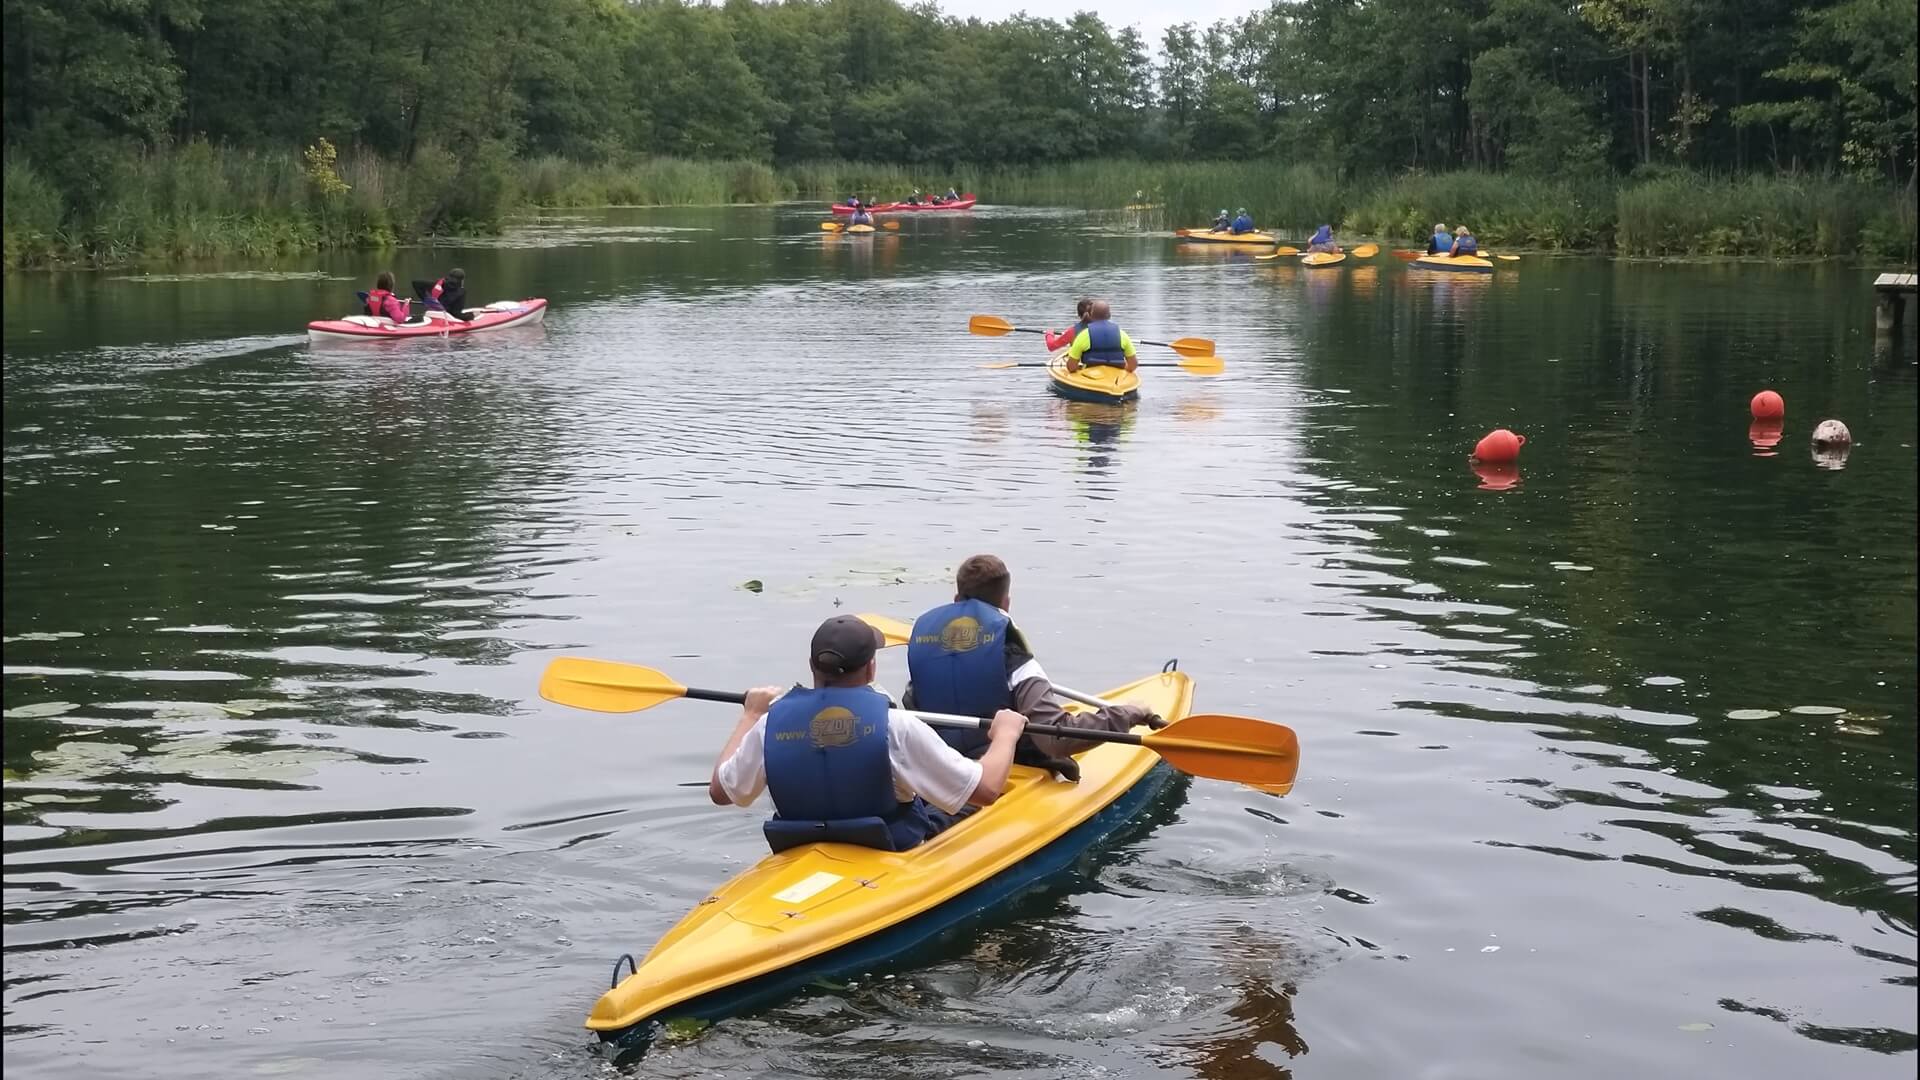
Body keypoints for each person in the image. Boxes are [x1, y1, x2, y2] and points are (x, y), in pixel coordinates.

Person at [710, 615, 1028, 852]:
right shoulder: (895, 725)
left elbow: (721, 793)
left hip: (799, 846)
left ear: (811, 665)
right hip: (888, 848)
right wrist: (1006, 733)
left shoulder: (770, 724)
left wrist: (750, 714)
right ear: (871, 668)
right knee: (958, 799)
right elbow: (986, 790)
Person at [904, 555, 1163, 772]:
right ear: (1006, 602)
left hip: (939, 765)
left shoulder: (925, 648)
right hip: (1002, 766)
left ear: (956, 599)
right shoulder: (1013, 659)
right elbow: (1056, 738)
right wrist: (1127, 713)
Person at [1064, 300, 1137, 374]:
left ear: (1091, 315)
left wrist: (1079, 368)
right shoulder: (1122, 335)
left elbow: (1071, 367)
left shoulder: (1083, 335)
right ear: (1109, 315)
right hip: (1116, 380)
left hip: (1090, 377)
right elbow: (1133, 365)